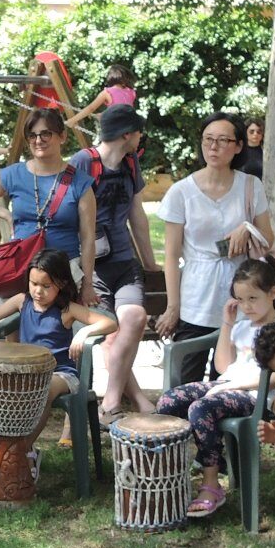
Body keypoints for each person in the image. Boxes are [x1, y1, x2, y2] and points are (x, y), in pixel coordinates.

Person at [156, 257, 275, 519]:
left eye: (252, 298)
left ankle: (212, 485)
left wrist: (234, 385)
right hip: (228, 386)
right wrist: (227, 324)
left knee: (201, 408)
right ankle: (169, 474)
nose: (246, 306)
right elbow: (223, 365)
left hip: (258, 397)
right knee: (169, 401)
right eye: (240, 300)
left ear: (272, 293)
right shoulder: (241, 327)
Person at [0, 247, 115, 459]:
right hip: (30, 373)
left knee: (43, 390)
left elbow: (110, 323)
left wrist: (84, 331)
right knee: (4, 390)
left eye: (46, 286)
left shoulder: (67, 310)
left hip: (62, 375)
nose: (38, 291)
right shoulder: (22, 301)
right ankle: (20, 450)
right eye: (34, 284)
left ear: (62, 283)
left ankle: (18, 452)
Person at [155, 113, 271, 357]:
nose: (213, 147)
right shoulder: (181, 192)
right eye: (208, 139)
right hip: (196, 296)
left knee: (229, 380)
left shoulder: (251, 185)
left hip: (241, 294)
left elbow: (268, 239)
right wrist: (172, 307)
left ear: (238, 146)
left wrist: (247, 228)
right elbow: (171, 257)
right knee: (187, 376)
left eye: (222, 140)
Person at [76, 105, 159, 415]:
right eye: (138, 132)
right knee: (111, 334)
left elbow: (137, 213)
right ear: (127, 134)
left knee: (134, 319)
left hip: (123, 262)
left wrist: (149, 262)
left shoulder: (131, 162)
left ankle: (110, 400)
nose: (140, 138)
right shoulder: (83, 162)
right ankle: (127, 401)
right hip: (92, 268)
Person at [0, 108, 99, 285]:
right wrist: (6, 215)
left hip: (64, 271)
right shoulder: (14, 174)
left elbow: (88, 238)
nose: (38, 141)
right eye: (32, 135)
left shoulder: (80, 182)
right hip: (21, 267)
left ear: (62, 136)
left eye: (46, 134)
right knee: (1, 311)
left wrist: (88, 284)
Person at [70, 58, 139, 130]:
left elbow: (91, 108)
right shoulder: (131, 93)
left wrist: (72, 120)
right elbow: (122, 109)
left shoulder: (107, 93)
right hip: (130, 127)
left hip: (116, 128)